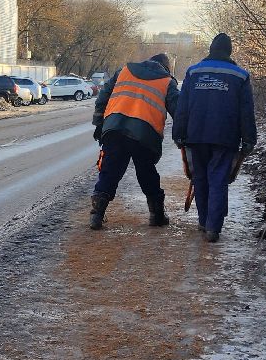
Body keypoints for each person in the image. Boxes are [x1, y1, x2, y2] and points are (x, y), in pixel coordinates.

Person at [172, 33, 256, 243]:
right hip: (225, 137)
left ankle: (203, 220)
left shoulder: (193, 72)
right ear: (230, 51)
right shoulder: (241, 76)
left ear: (210, 49)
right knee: (218, 179)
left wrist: (179, 133)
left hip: (196, 135)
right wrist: (249, 139)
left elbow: (182, 107)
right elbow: (246, 111)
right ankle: (213, 228)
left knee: (199, 178)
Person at [89, 52, 179, 229]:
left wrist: (99, 124)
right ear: (166, 67)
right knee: (147, 173)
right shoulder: (167, 81)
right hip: (145, 135)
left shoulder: (124, 71)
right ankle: (157, 215)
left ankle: (97, 215)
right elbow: (179, 112)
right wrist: (184, 136)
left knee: (110, 170)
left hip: (114, 128)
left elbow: (102, 98)